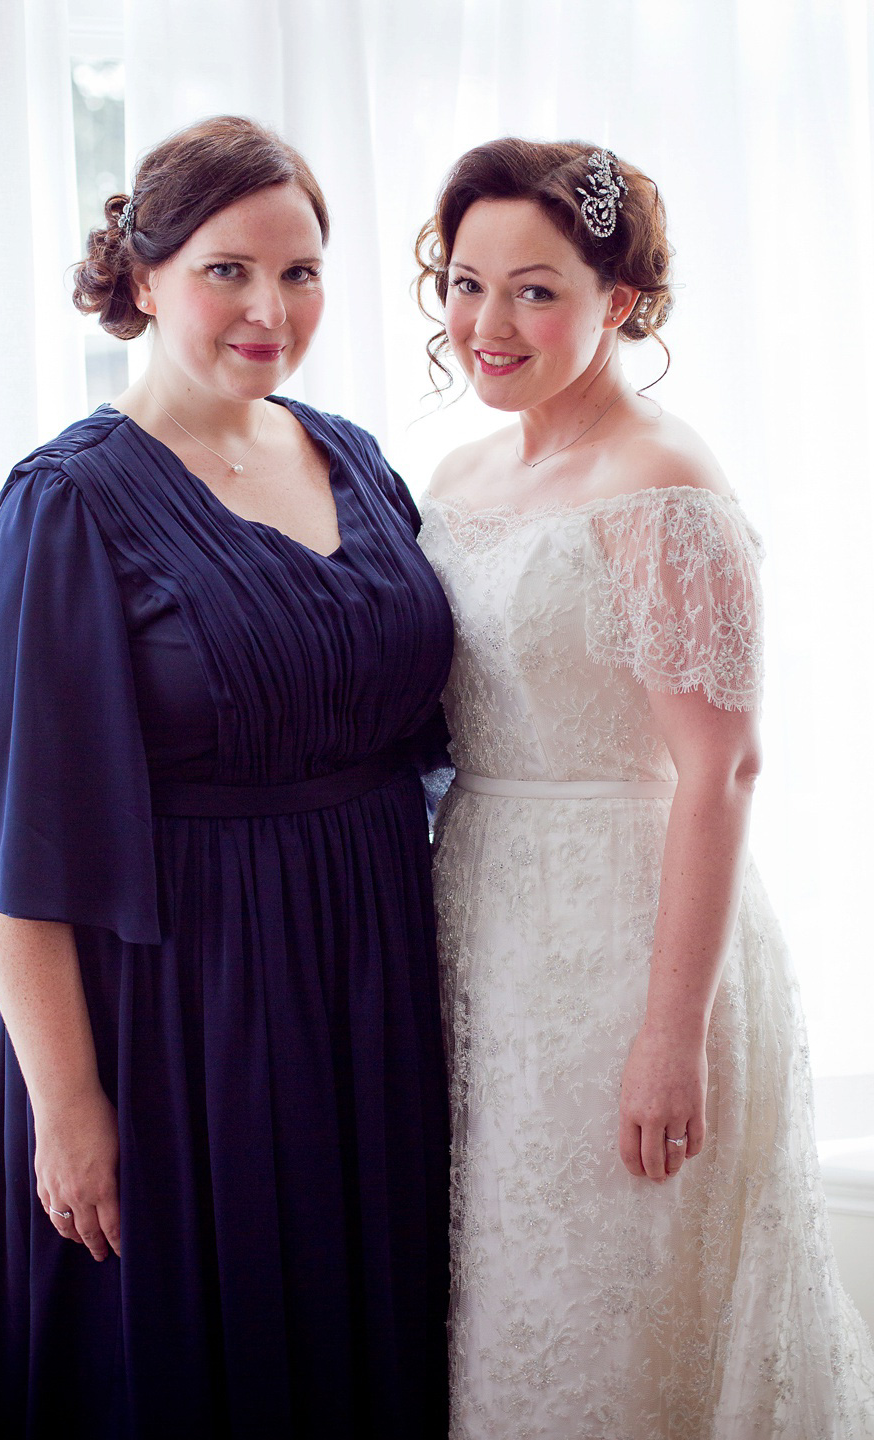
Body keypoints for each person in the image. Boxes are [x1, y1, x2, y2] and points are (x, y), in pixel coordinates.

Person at [0, 115, 452, 1439]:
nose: (274, 308)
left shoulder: (359, 461)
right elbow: (12, 845)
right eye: (230, 269)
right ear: (144, 277)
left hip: (364, 998)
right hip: (172, 1021)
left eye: (304, 270)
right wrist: (74, 1109)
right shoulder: (69, 503)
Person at [414, 137, 874, 1438]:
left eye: (537, 290)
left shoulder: (665, 486)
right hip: (483, 929)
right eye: (466, 283)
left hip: (624, 947)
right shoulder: (455, 478)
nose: (487, 325)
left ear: (621, 302)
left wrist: (669, 1037)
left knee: (610, 1312)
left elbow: (722, 768)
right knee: (496, 1301)